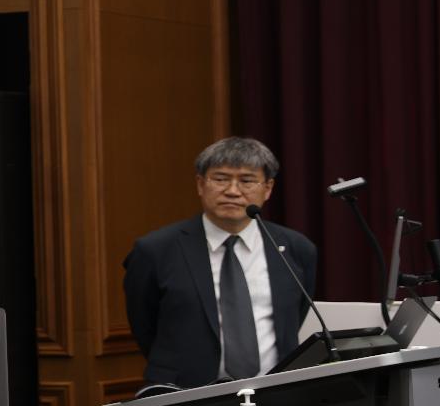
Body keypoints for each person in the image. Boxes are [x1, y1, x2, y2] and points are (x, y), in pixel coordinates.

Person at [122, 136, 318, 387]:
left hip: (274, 392)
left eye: (247, 180)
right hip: (185, 393)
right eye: (221, 179)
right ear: (200, 184)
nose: (233, 191)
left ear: (268, 188)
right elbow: (144, 324)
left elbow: (295, 315)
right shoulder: (155, 250)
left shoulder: (296, 248)